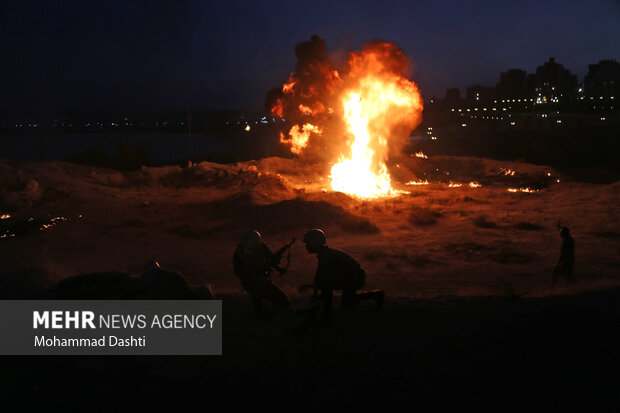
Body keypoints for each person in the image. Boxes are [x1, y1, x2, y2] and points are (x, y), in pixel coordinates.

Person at [300, 228, 384, 324]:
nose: (306, 246)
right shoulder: (324, 254)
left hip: (355, 278)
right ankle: (376, 295)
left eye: (308, 244)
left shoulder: (326, 256)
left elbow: (326, 278)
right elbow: (319, 275)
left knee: (329, 289)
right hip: (352, 277)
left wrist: (318, 291)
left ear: (314, 244)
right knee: (347, 301)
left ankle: (328, 314)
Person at [233, 230, 290, 317]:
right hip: (251, 283)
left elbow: (271, 258)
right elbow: (239, 272)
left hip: (263, 280)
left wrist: (276, 265)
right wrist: (251, 273)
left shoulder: (262, 248)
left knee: (283, 301)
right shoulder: (239, 254)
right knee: (259, 301)